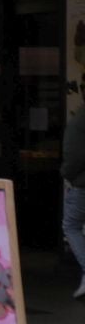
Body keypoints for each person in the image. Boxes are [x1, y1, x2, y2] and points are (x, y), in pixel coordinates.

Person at [64, 102, 85, 299]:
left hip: (82, 186)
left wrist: (67, 175)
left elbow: (73, 157)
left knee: (71, 226)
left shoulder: (79, 122)